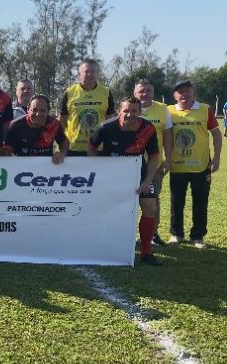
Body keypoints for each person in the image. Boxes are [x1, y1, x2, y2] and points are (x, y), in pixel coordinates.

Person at [88, 97, 161, 265]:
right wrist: (99, 170)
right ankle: (103, 245)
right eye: (126, 110)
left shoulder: (148, 128)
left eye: (134, 111)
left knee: (150, 207)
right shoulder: (106, 127)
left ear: (140, 112)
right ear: (119, 111)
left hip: (139, 173)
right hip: (112, 176)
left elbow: (153, 156)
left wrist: (147, 180)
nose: (130, 114)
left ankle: (146, 253)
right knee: (107, 210)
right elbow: (91, 147)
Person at [167, 80, 222, 248]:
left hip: (201, 166)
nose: (184, 94)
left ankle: (197, 237)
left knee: (200, 202)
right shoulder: (168, 111)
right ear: (174, 95)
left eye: (187, 90)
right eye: (180, 91)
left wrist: (216, 158)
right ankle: (176, 234)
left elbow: (216, 134)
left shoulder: (205, 109)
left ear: (193, 93)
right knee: (177, 202)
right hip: (177, 165)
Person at [134, 78, 173, 246]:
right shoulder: (129, 108)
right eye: (141, 91)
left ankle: (152, 234)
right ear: (135, 93)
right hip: (129, 166)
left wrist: (168, 159)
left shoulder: (163, 109)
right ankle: (126, 233)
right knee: (127, 200)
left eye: (148, 90)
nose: (144, 94)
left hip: (153, 166)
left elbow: (168, 136)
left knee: (153, 201)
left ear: (153, 92)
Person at [59, 58, 115, 155]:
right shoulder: (69, 92)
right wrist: (68, 137)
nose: (89, 74)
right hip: (74, 148)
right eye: (86, 71)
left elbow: (110, 118)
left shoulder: (106, 92)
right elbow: (62, 119)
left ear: (97, 74)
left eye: (93, 71)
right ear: (79, 74)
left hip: (98, 147)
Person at [5, 94, 68, 164]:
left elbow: (64, 142)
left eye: (42, 110)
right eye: (35, 110)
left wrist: (62, 153)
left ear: (48, 111)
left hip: (46, 166)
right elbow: (7, 151)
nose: (38, 114)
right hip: (21, 166)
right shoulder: (16, 125)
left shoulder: (54, 124)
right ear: (28, 109)